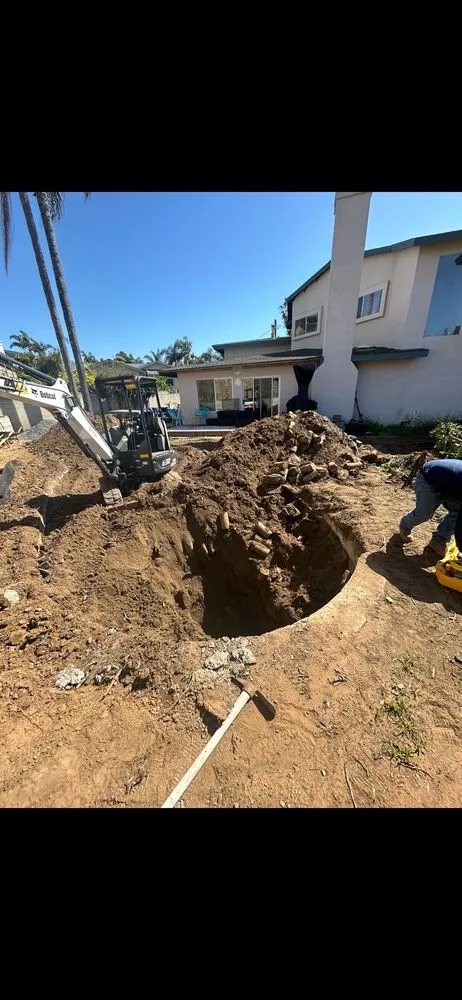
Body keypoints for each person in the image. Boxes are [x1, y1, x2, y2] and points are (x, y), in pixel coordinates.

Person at [399, 458, 462, 556]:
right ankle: (405, 525)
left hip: (450, 484)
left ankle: (438, 541)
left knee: (456, 513)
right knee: (424, 514)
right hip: (429, 478)